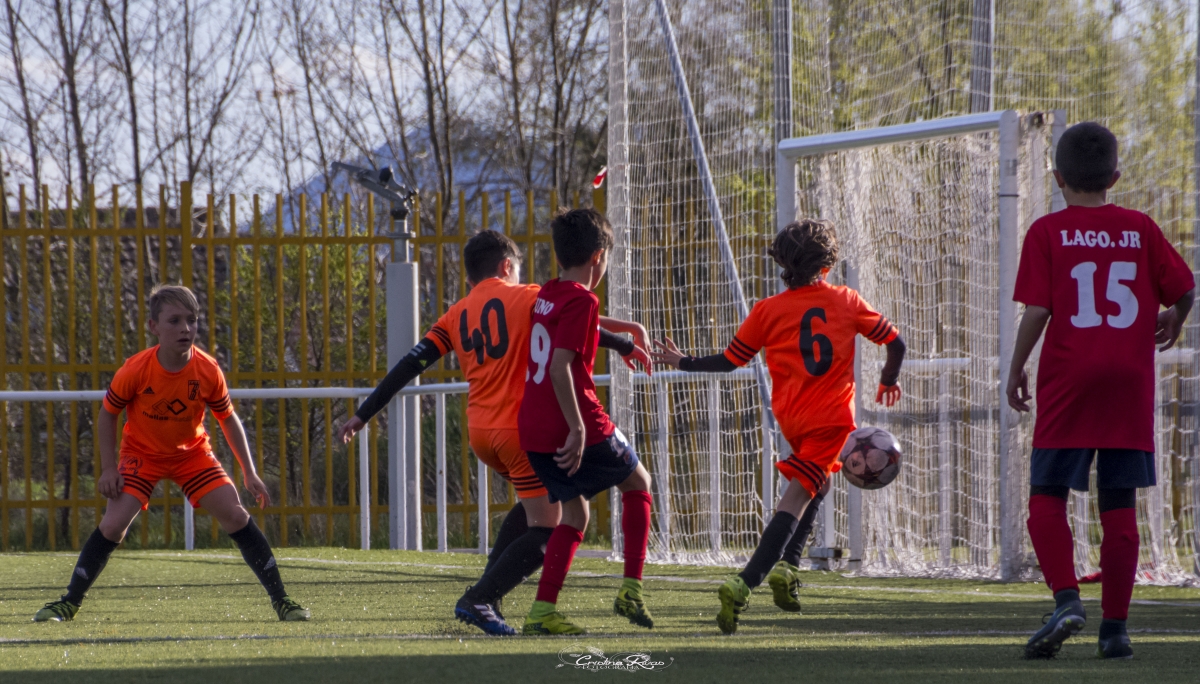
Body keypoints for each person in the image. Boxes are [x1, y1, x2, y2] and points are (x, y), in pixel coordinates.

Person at [335, 229, 650, 636]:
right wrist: (624, 344)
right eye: (516, 269)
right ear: (506, 266)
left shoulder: (456, 313)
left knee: (539, 506)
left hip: (482, 434)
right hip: (519, 430)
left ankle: (486, 594)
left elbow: (411, 364)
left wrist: (364, 414)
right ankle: (482, 597)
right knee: (552, 525)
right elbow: (574, 320)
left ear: (470, 278)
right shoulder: (524, 296)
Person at [652, 218, 905, 634]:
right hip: (831, 422)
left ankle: (788, 567)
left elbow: (729, 361)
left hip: (793, 420)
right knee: (797, 496)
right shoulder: (846, 300)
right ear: (827, 264)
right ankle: (745, 582)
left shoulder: (766, 310)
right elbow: (896, 342)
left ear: (783, 263)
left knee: (819, 484)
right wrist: (888, 380)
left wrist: (683, 361)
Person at [1006, 122, 1194, 660]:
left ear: (1057, 177)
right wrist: (1175, 318)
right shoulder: (1141, 228)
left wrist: (1016, 368)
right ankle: (1115, 631)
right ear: (1115, 177)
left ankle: (1067, 600)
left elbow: (1037, 311)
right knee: (1119, 505)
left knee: (1046, 496)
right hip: (1128, 383)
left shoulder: (1047, 231)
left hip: (1069, 378)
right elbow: (1186, 288)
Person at [34, 285, 310, 623]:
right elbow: (107, 414)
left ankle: (283, 601)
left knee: (236, 516)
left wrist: (249, 472)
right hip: (143, 455)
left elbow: (227, 418)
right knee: (114, 524)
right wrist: (108, 468)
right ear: (154, 326)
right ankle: (68, 603)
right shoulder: (136, 369)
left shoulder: (207, 369)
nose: (185, 328)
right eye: (175, 320)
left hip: (191, 455)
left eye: (192, 320)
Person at [517, 208, 655, 635]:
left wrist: (628, 331)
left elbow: (577, 326)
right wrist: (577, 428)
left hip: (533, 428)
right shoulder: (583, 299)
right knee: (639, 482)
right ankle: (631, 590)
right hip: (574, 424)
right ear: (598, 257)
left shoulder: (549, 293)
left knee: (575, 515)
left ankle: (542, 611)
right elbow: (561, 367)